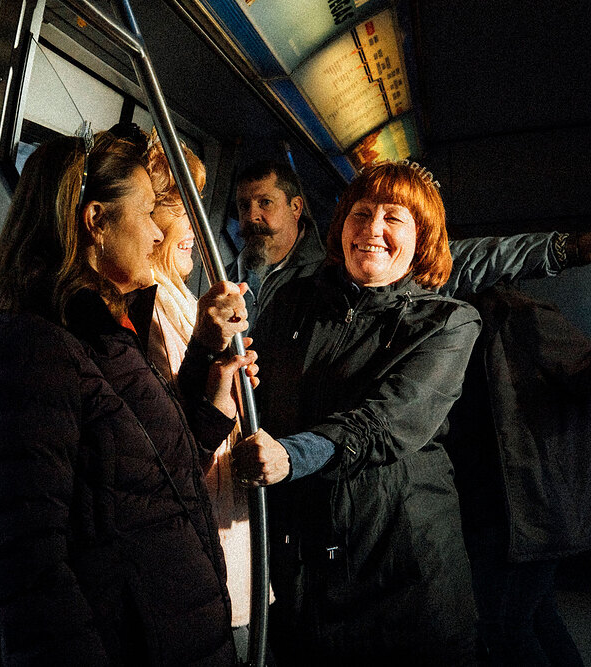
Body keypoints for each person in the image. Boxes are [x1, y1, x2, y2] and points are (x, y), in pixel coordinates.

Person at [0, 126, 255, 665]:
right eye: (145, 214)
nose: (158, 235)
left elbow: (154, 462)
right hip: (133, 640)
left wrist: (210, 386)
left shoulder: (106, 326)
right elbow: (25, 567)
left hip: (172, 624)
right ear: (96, 222)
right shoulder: (23, 349)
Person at [190, 161, 482, 664]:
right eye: (361, 213)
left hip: (399, 567)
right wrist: (210, 344)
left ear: (423, 239)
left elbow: (387, 421)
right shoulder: (294, 303)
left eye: (394, 218)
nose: (372, 229)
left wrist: (292, 455)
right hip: (308, 562)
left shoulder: (447, 323)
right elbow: (247, 388)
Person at [142, 136, 255, 662]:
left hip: (224, 524)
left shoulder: (182, 297)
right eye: (182, 207)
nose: (197, 224)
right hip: (197, 534)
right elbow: (168, 441)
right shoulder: (148, 308)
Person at [229, 160, 591, 322]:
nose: (252, 215)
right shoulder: (225, 271)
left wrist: (566, 249)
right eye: (244, 205)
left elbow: (481, 258)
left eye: (265, 202)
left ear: (296, 207)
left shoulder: (338, 266)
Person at [447, 284, 591, 666]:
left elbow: (582, 372)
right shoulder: (447, 320)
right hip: (495, 504)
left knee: (507, 625)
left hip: (523, 506)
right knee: (535, 616)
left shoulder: (523, 317)